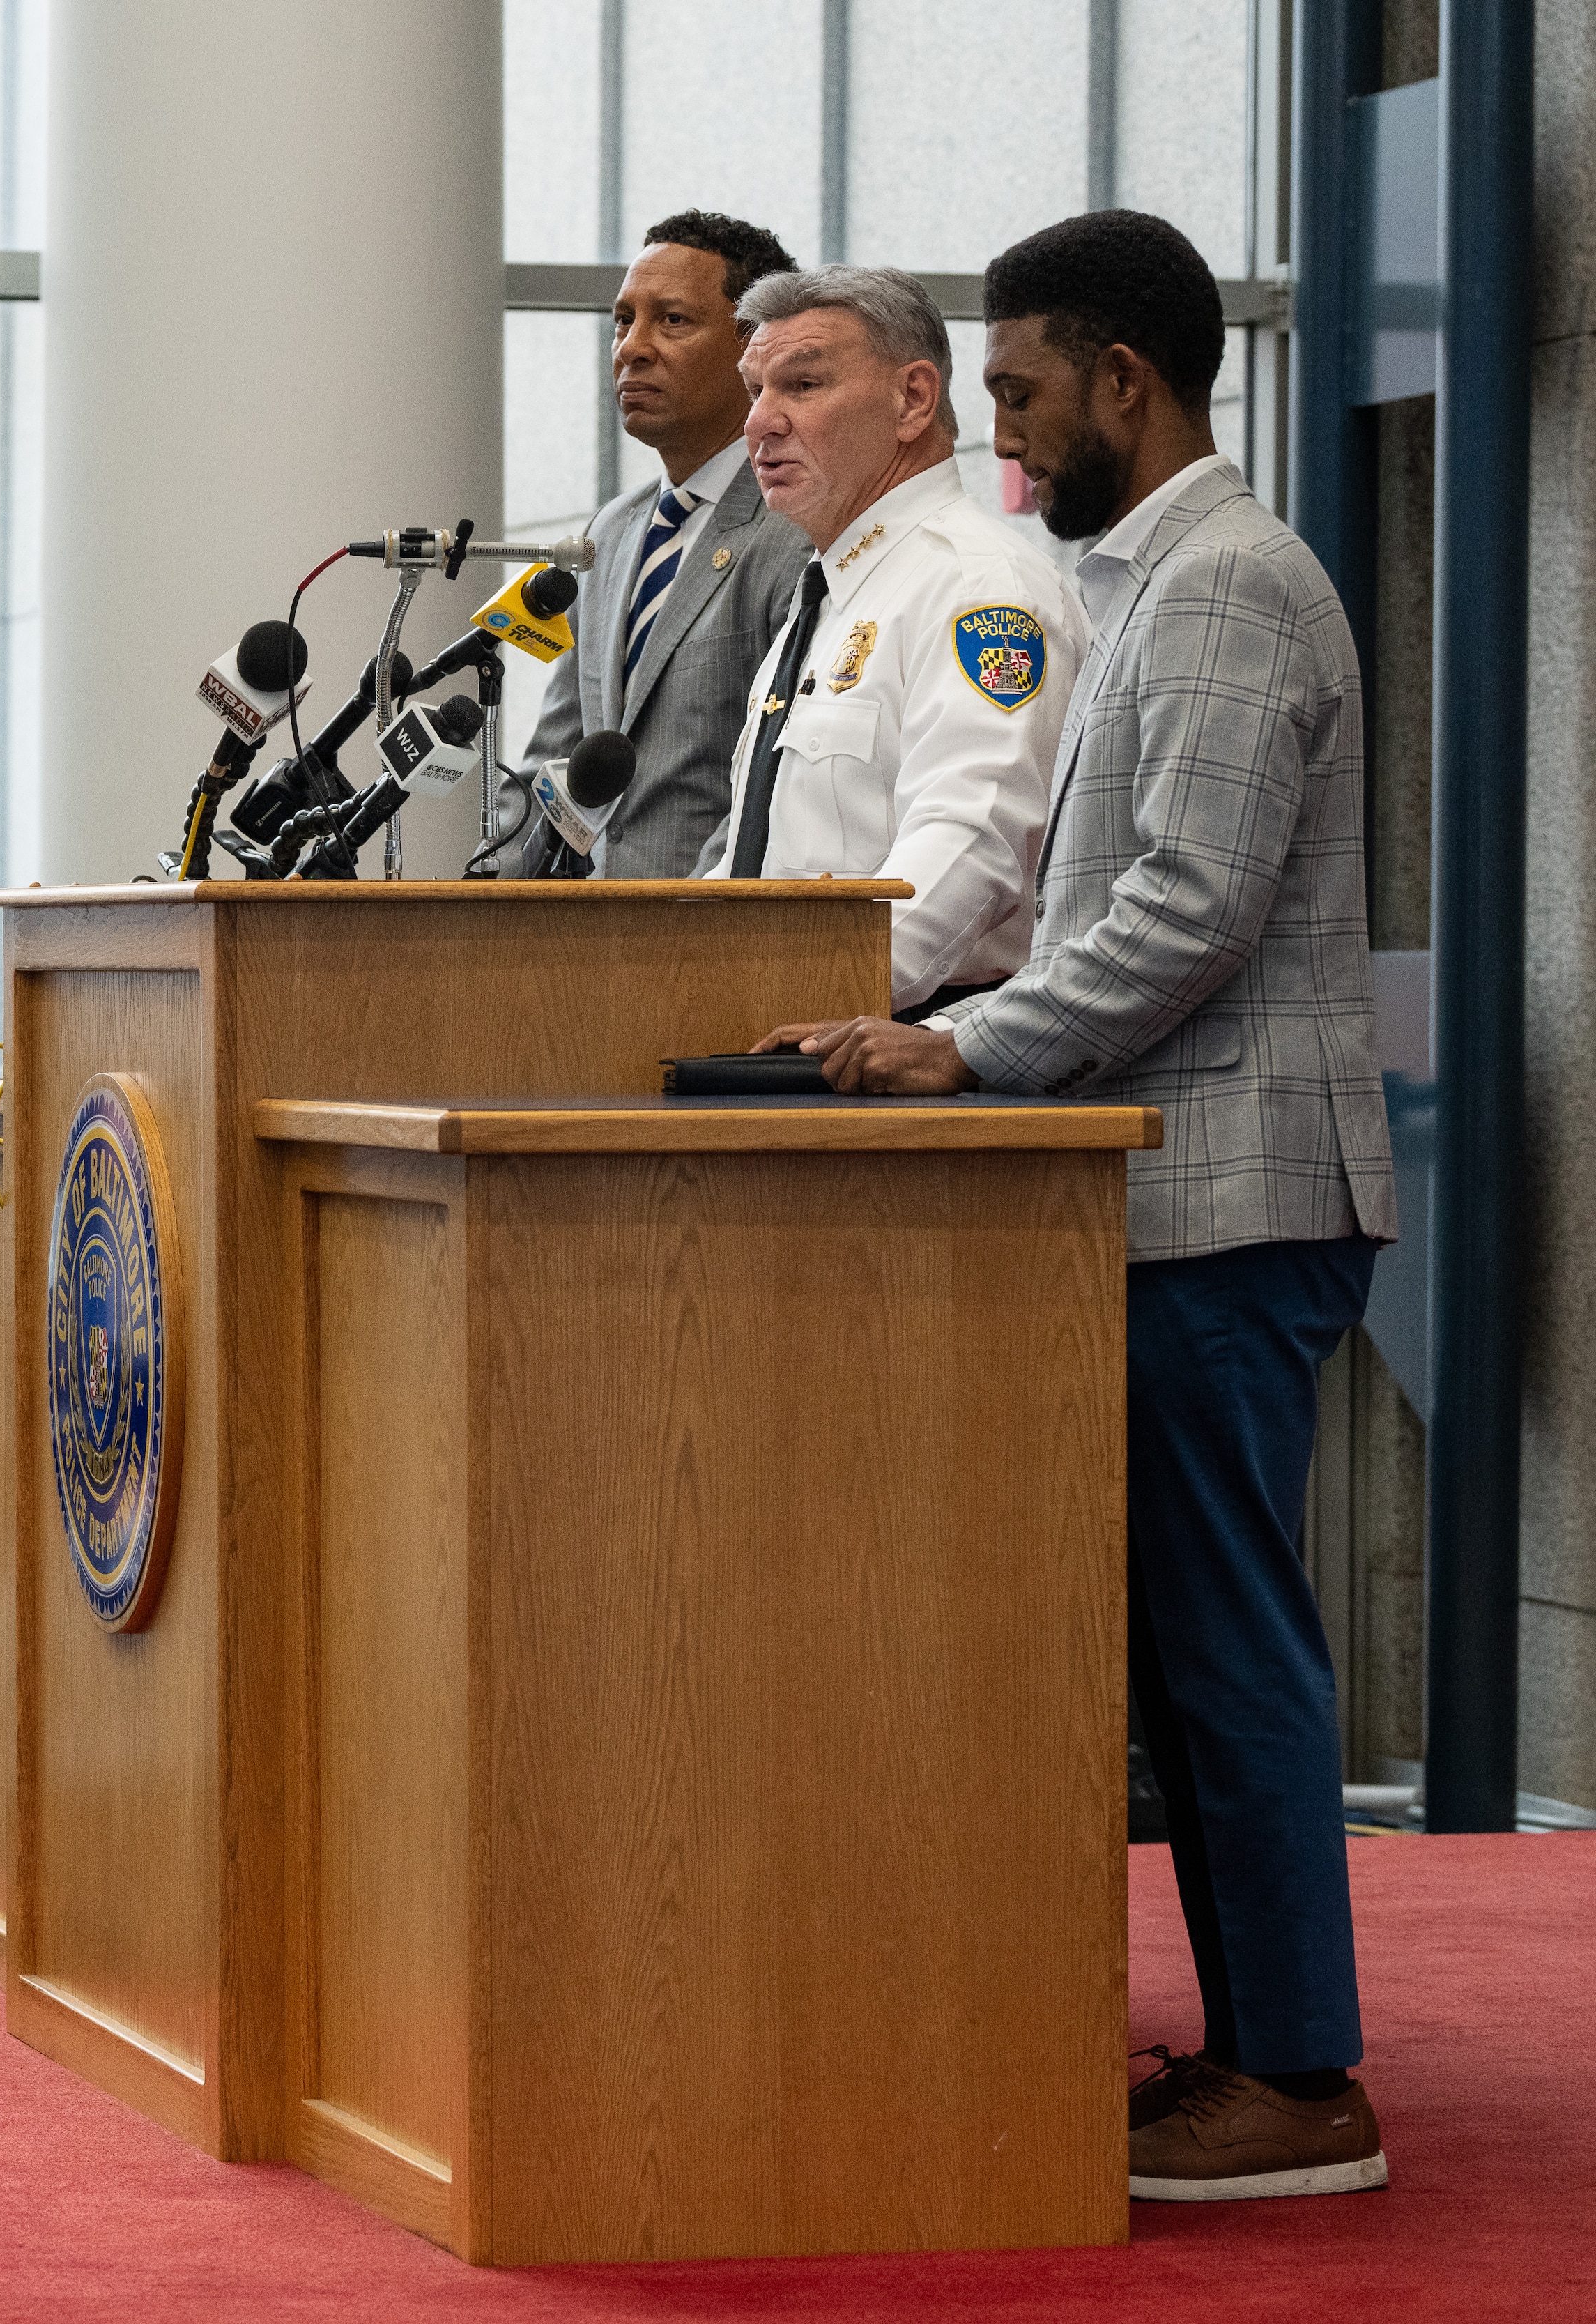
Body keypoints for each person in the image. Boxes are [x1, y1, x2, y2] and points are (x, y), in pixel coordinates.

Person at [754, 210, 1397, 2203]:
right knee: (1200, 1646)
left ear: (1129, 378)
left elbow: (1185, 909)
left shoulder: (1218, 587)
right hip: (1187, 1187)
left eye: (1021, 393)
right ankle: (1257, 2049)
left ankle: (1301, 2077)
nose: (1008, 445)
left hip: (1228, 1191)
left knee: (1229, 1650)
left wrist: (971, 1046)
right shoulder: (1162, 576)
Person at [690, 264, 1086, 1017]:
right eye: (754, 391)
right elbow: (764, 863)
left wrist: (777, 1000)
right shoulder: (829, 596)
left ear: (911, 399)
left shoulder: (980, 589)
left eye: (801, 386)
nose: (758, 423)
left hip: (902, 1049)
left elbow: (971, 842)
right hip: (787, 1037)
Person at [486, 209, 815, 878]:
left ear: (755, 349)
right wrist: (490, 898)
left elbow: (780, 787)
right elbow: (556, 757)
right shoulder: (609, 532)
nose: (632, 347)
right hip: (583, 948)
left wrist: (681, 928)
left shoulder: (797, 531)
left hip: (707, 942)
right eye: (623, 320)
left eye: (672, 321)